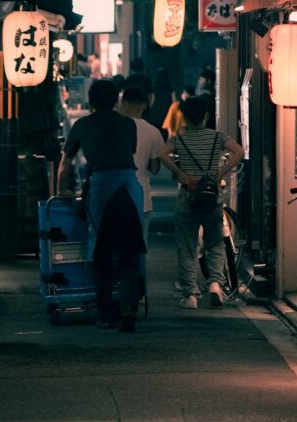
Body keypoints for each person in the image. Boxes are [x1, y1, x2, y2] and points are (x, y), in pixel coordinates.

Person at [56, 80, 145, 332]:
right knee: (129, 253)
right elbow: (129, 152)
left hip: (102, 188)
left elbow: (65, 162)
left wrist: (61, 189)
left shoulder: (82, 125)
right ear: (116, 100)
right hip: (129, 186)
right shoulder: (128, 124)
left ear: (91, 100)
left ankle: (106, 312)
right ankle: (129, 309)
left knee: (102, 253)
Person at [159, 95, 244, 309]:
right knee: (215, 243)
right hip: (212, 197)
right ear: (206, 116)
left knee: (187, 246)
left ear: (185, 117)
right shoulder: (217, 137)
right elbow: (239, 152)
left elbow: (161, 154)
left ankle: (191, 296)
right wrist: (220, 172)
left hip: (189, 197)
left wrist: (182, 175)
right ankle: (215, 284)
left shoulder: (180, 139)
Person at [120, 86, 165, 245]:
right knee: (140, 244)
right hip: (141, 194)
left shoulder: (115, 128)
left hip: (115, 193)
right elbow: (155, 168)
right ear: (145, 105)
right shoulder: (154, 132)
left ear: (122, 102)